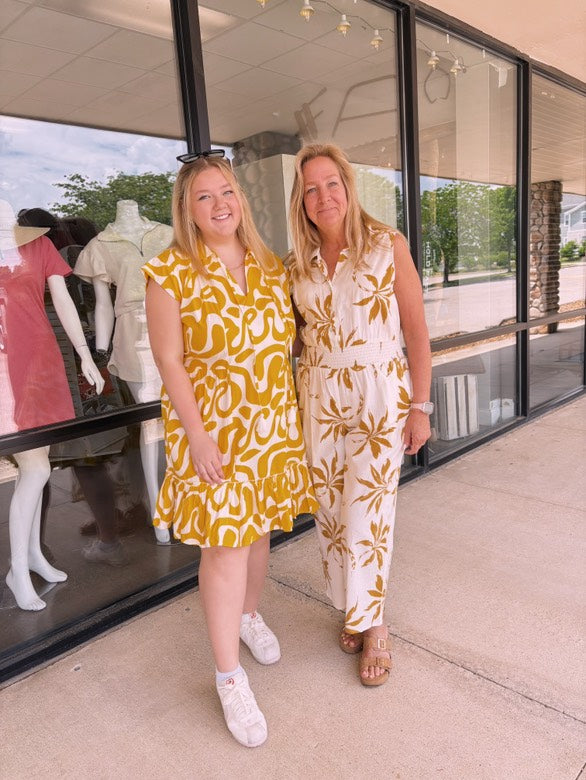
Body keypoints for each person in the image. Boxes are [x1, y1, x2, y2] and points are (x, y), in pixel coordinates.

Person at [143, 150, 317, 747]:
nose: (220, 204)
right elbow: (169, 359)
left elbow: (292, 343)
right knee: (225, 547)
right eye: (204, 197)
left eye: (227, 192)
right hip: (215, 434)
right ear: (187, 211)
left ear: (240, 199)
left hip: (271, 430)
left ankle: (248, 615)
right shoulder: (170, 271)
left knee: (262, 531)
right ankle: (228, 676)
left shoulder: (271, 266)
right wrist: (195, 434)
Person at [287, 143, 432, 687]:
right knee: (329, 510)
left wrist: (420, 405)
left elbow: (415, 329)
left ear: (348, 188)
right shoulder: (294, 265)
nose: (323, 196)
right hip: (319, 398)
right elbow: (298, 342)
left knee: (367, 516)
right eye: (311, 188)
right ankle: (353, 602)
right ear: (301, 202)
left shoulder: (385, 244)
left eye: (331, 184)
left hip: (379, 394)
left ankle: (374, 625)